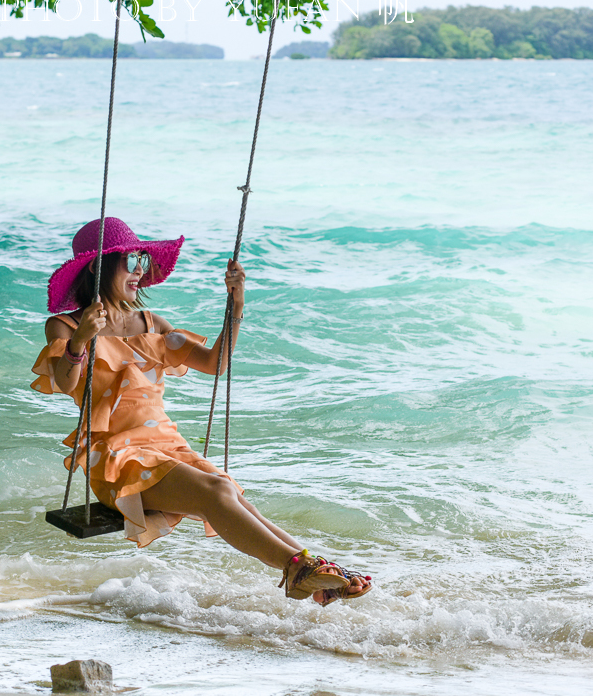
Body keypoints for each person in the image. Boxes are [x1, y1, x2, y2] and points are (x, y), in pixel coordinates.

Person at [31, 217, 371, 606]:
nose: (141, 270)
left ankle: (314, 570)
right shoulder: (64, 326)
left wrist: (236, 305)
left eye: (143, 260)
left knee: (233, 495)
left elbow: (216, 363)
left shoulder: (151, 324)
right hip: (115, 457)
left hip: (166, 447)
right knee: (218, 491)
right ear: (99, 266)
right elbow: (67, 381)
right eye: (131, 260)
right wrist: (81, 339)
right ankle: (297, 569)